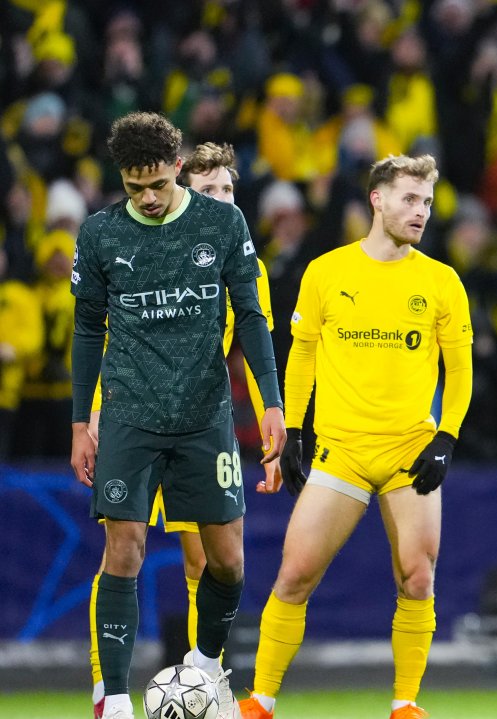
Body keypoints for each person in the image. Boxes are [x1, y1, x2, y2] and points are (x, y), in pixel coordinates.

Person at [238, 154, 473, 719]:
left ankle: (405, 704)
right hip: (340, 450)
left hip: (407, 451)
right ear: (377, 199)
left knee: (417, 576)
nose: (421, 211)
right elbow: (303, 355)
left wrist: (446, 436)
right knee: (294, 573)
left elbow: (460, 371)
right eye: (410, 199)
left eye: (427, 202)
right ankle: (261, 700)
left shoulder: (441, 281)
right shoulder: (327, 271)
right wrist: (294, 429)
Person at [70, 112, 286, 719]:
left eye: (158, 185)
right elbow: (87, 329)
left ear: (176, 170)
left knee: (227, 562)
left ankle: (201, 667)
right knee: (125, 548)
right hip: (129, 413)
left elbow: (251, 316)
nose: (148, 198)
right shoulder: (100, 233)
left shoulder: (221, 224)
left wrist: (272, 402)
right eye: (134, 188)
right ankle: (112, 697)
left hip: (204, 415)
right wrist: (80, 423)